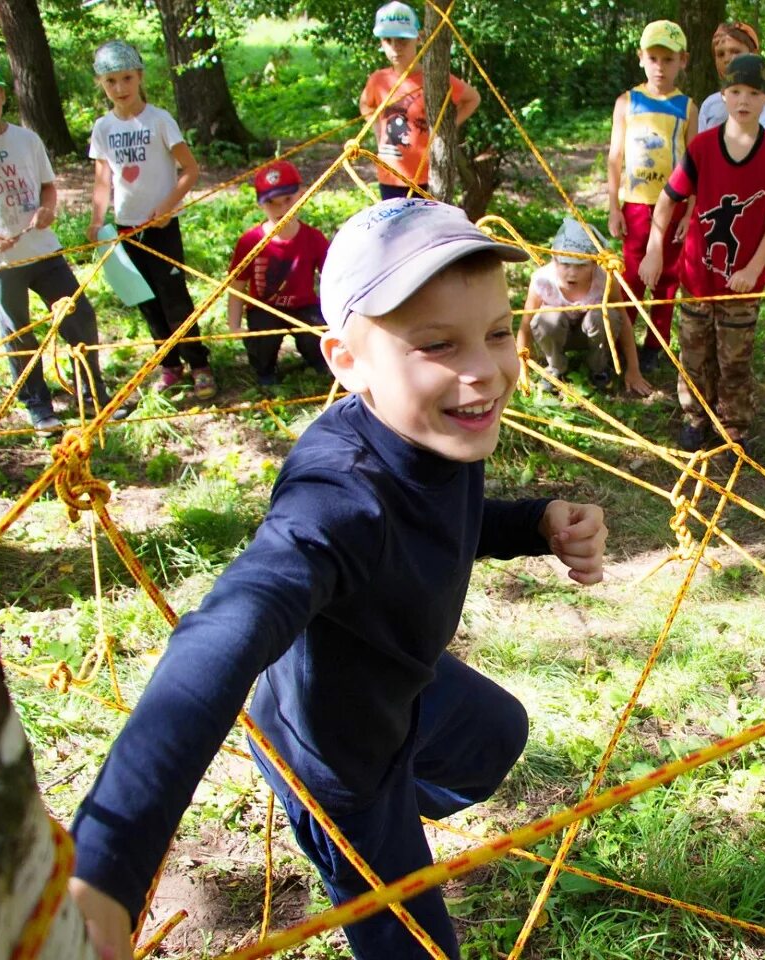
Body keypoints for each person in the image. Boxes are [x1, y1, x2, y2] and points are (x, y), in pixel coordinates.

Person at [67, 198, 608, 960]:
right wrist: (108, 867)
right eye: (436, 345)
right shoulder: (334, 499)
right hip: (336, 756)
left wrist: (538, 522)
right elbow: (224, 635)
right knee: (416, 946)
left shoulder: (431, 434)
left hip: (398, 684)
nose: (482, 369)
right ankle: (356, 830)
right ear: (345, 360)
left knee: (496, 735)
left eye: (494, 332)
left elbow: (442, 518)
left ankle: (394, 811)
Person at [0, 53, 129, 434]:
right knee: (18, 333)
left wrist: (47, 208)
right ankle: (39, 408)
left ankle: (92, 395)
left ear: (3, 96)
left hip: (44, 249)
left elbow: (47, 186)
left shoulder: (26, 139)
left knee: (79, 316)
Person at [639, 54, 765, 453]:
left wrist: (752, 266)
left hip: (741, 283)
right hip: (698, 277)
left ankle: (733, 425)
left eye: (753, 93)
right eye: (734, 92)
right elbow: (666, 202)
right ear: (723, 96)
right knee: (694, 353)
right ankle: (695, 417)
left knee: (734, 358)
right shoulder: (702, 147)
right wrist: (654, 251)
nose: (743, 100)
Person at [87, 39, 217, 400]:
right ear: (101, 83)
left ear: (139, 76)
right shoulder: (103, 128)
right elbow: (102, 179)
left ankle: (199, 363)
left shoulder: (159, 120)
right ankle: (169, 364)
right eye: (110, 81)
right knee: (147, 301)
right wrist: (98, 220)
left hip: (161, 228)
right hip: (127, 229)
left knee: (174, 297)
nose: (119, 88)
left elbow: (190, 169)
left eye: (126, 78)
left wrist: (168, 206)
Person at [607, 19, 697, 374]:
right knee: (632, 275)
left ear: (683, 61)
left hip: (672, 207)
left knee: (667, 277)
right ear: (641, 58)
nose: (661, 67)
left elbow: (693, 164)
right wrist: (614, 207)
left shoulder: (686, 107)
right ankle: (622, 340)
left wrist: (690, 211)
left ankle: (654, 346)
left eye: (669, 59)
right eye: (654, 58)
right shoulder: (628, 102)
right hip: (636, 207)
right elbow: (615, 157)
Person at [358, 1, 482, 200]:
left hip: (426, 176)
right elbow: (365, 104)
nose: (395, 48)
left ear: (420, 37)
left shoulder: (435, 79)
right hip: (390, 177)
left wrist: (445, 130)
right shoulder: (378, 80)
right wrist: (378, 131)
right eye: (388, 41)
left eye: (402, 40)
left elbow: (472, 98)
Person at [517, 217, 651, 397]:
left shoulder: (605, 280)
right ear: (554, 259)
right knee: (546, 318)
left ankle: (599, 367)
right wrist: (521, 368)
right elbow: (525, 325)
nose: (572, 273)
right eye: (564, 264)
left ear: (594, 263)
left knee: (605, 315)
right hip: (557, 334)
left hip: (590, 333)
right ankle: (556, 367)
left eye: (581, 265)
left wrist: (634, 369)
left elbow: (623, 321)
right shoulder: (542, 280)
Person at [227, 159, 331, 387]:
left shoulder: (313, 238)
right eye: (272, 203)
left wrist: (340, 318)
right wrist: (233, 324)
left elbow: (332, 279)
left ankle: (318, 360)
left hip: (303, 306)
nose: (282, 209)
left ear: (301, 195)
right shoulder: (250, 241)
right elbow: (237, 286)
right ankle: (265, 371)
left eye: (288, 200)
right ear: (260, 204)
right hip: (265, 307)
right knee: (262, 339)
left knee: (317, 336)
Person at [696, 21, 765, 135]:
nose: (727, 59)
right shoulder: (710, 105)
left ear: (754, 54)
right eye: (720, 54)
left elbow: (760, 142)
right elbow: (702, 148)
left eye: (735, 51)